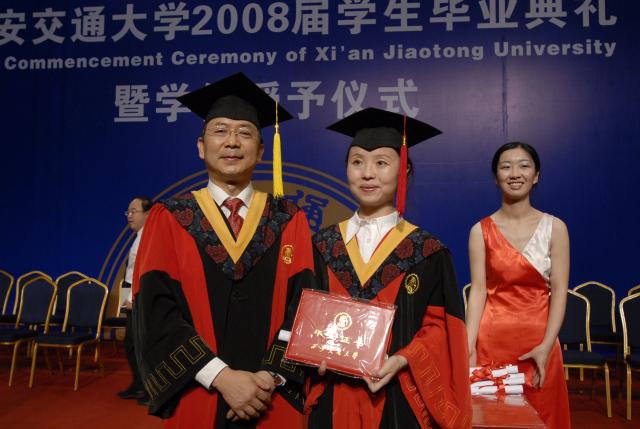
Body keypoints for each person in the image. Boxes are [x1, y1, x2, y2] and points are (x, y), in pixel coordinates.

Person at [131, 72, 314, 429]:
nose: (232, 141)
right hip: (198, 391)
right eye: (220, 131)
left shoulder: (289, 219)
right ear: (201, 147)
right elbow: (154, 311)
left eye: (244, 133)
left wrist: (271, 377)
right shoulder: (170, 218)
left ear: (261, 151)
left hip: (270, 398)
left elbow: (305, 306)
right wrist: (220, 376)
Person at [305, 108, 472, 429]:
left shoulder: (427, 251)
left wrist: (402, 358)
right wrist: (313, 353)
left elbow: (440, 328)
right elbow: (301, 317)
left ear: (404, 169)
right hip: (332, 397)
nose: (368, 173)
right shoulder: (322, 245)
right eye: (357, 162)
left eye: (381, 163)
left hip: (397, 398)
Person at [465, 142, 571, 429]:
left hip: (540, 341)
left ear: (536, 175)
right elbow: (478, 291)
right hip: (491, 343)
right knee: (494, 417)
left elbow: (560, 292)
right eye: (505, 166)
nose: (515, 173)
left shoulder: (555, 228)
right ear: (495, 177)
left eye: (524, 165)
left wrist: (547, 345)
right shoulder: (479, 231)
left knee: (544, 416)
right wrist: (469, 344)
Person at [117, 196, 152, 404]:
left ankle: (150, 390)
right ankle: (137, 385)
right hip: (131, 296)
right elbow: (130, 273)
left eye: (134, 211)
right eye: (127, 212)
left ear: (148, 214)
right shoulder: (138, 236)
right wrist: (125, 300)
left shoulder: (150, 238)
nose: (129, 216)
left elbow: (144, 272)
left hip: (141, 298)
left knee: (142, 345)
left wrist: (131, 298)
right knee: (130, 343)